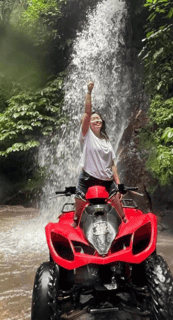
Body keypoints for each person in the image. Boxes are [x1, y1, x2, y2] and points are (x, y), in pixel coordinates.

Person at [73, 81, 126, 227]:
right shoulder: (86, 135)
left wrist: (119, 184)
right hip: (88, 177)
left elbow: (112, 164)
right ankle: (76, 222)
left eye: (98, 119)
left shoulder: (106, 140)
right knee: (78, 202)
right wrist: (89, 92)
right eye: (93, 119)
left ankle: (124, 222)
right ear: (88, 123)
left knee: (118, 203)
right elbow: (87, 111)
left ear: (102, 122)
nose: (96, 120)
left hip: (106, 179)